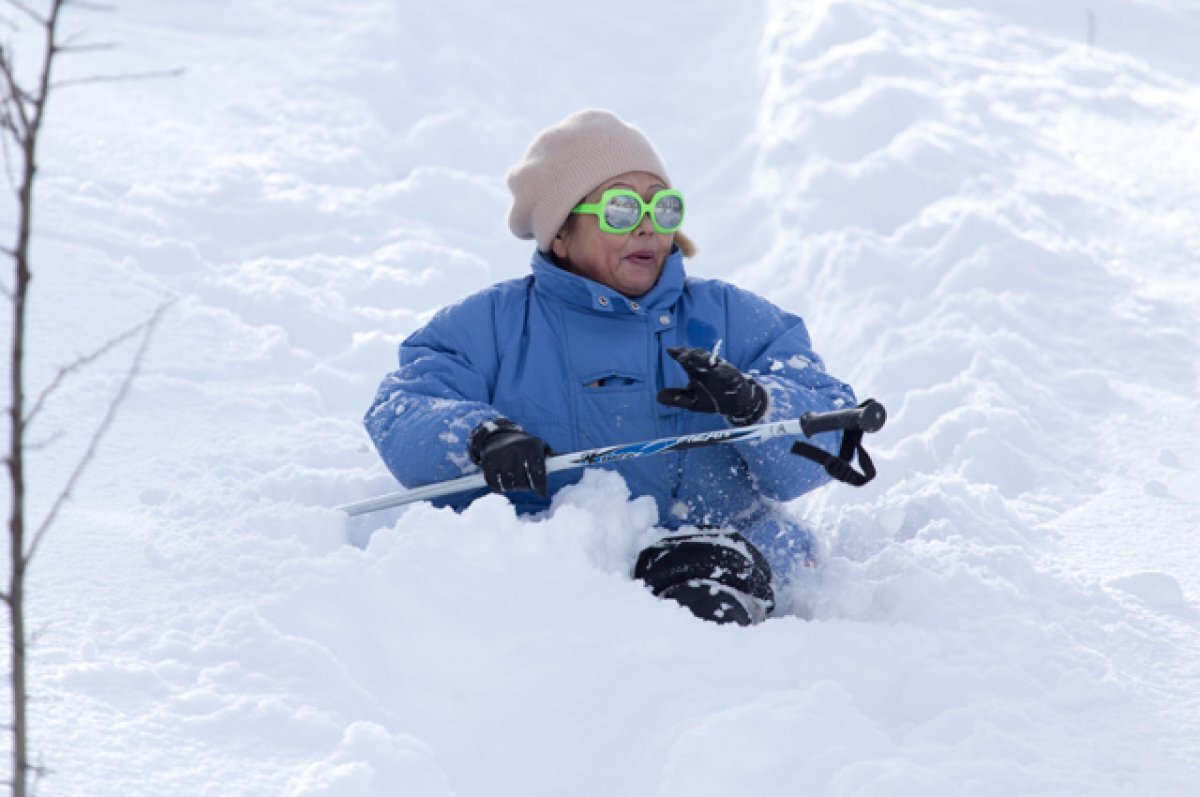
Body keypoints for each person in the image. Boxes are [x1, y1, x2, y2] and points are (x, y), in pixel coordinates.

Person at [365, 109, 856, 625]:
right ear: (561, 233)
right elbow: (404, 405)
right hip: (555, 575)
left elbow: (825, 425)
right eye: (621, 208)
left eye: (663, 207)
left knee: (701, 614)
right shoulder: (491, 326)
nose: (647, 225)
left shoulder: (735, 320)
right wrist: (481, 436)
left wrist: (760, 405)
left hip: (721, 557)